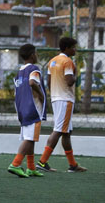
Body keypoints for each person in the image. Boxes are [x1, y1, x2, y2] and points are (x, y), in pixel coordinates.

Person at [38, 36, 86, 172]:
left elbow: (48, 81)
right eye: (73, 47)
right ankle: (42, 162)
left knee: (66, 132)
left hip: (55, 98)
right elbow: (69, 81)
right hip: (65, 99)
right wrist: (77, 75)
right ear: (67, 48)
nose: (75, 50)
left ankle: (73, 165)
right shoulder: (67, 61)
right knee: (59, 130)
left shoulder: (52, 61)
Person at [8, 43, 46, 178]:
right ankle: (15, 164)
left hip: (22, 108)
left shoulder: (19, 71)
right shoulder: (34, 69)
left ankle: (31, 168)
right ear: (32, 55)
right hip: (33, 109)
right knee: (30, 139)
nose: (37, 55)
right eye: (36, 53)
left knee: (30, 138)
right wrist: (41, 94)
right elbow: (32, 82)